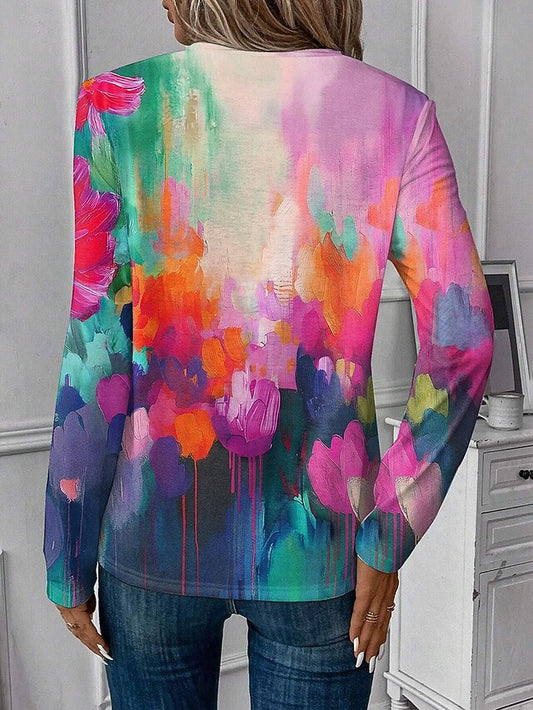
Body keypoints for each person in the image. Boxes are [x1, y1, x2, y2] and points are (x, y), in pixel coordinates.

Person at [44, 1, 494, 708]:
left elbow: (93, 349)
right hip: (320, 547)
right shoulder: (397, 115)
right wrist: (389, 530)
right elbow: (462, 340)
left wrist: (66, 552)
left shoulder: (116, 107)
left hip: (150, 540)